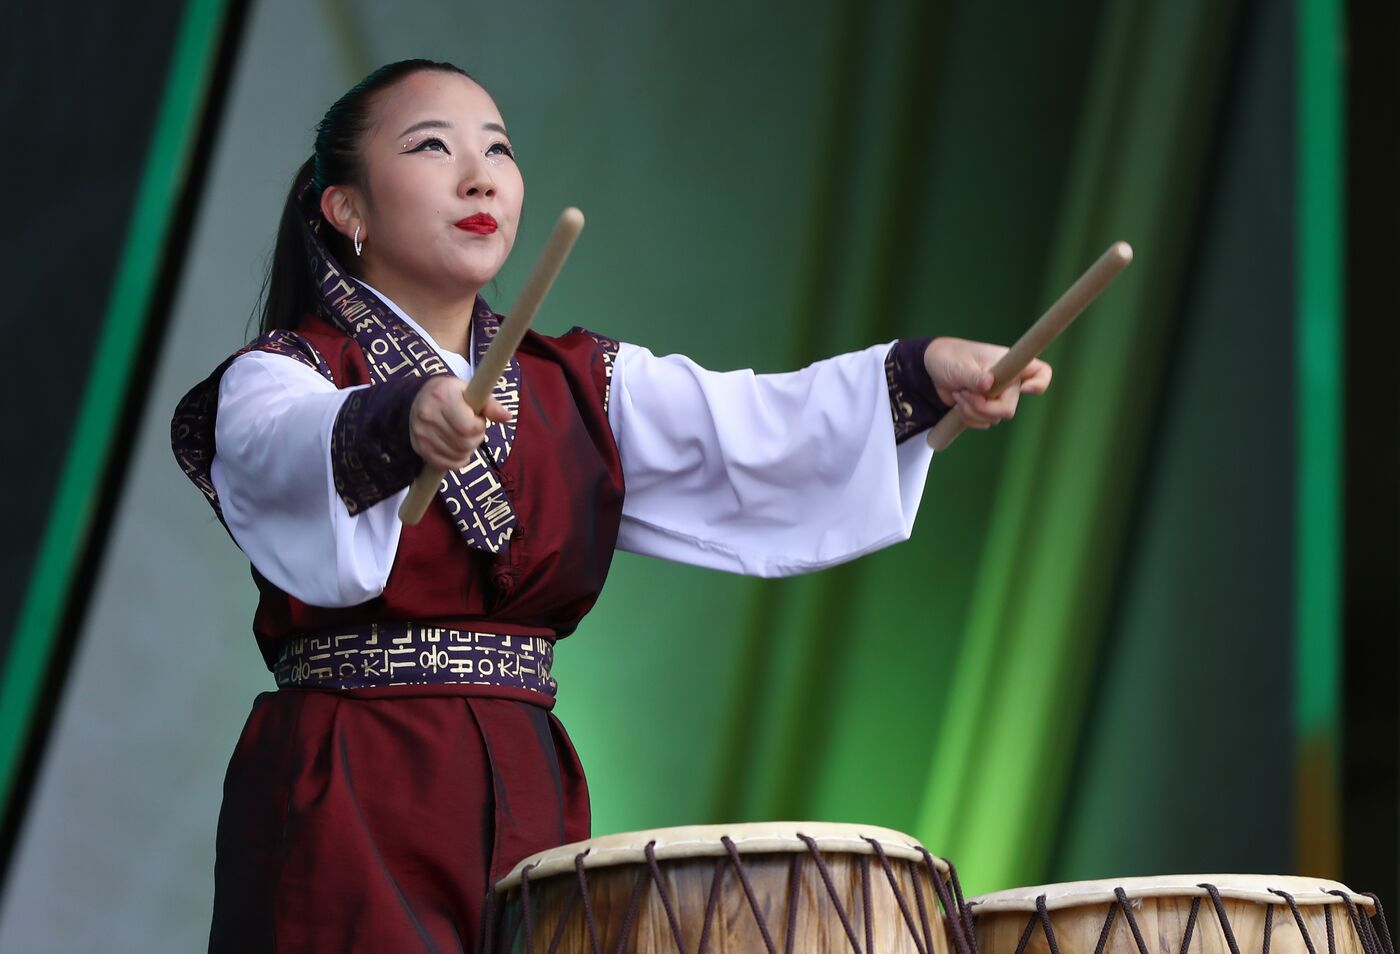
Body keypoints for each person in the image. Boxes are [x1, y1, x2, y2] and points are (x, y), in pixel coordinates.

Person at [172, 58, 1050, 953]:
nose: (480, 175)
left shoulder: (575, 382)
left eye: (498, 150)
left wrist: (917, 374)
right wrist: (401, 419)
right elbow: (279, 443)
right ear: (346, 208)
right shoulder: (285, 374)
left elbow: (750, 427)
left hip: (525, 783)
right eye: (432, 146)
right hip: (350, 786)